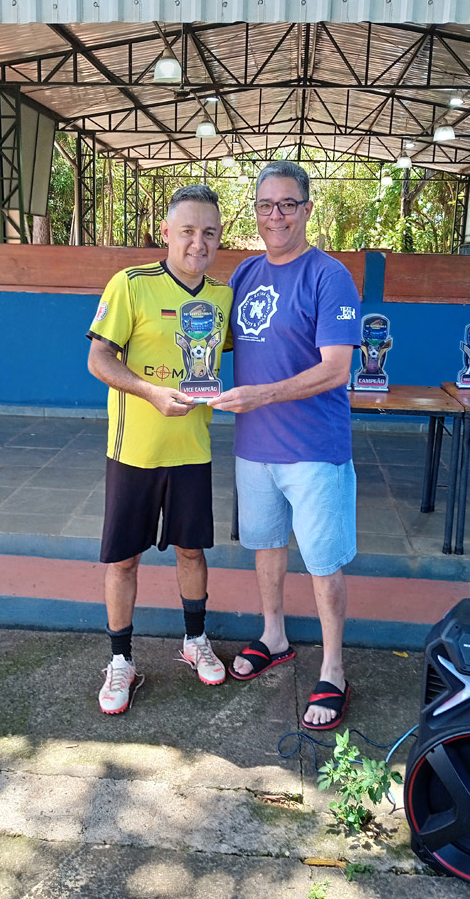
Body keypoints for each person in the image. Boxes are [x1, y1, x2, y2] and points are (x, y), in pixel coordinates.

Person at [208, 160, 361, 731]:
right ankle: (274, 636)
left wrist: (263, 394)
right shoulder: (246, 273)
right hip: (255, 446)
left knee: (322, 562)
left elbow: (337, 368)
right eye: (265, 205)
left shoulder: (329, 276)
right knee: (267, 545)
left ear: (307, 209)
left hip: (313, 449)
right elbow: (211, 338)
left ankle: (334, 668)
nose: (276, 216)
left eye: (288, 204)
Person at [87, 184, 232, 714]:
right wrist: (150, 392)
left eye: (209, 233)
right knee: (124, 558)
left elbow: (245, 351)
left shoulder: (222, 297)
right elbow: (99, 360)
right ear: (166, 232)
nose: (198, 242)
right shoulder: (131, 284)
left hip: (192, 449)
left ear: (219, 238)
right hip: (135, 452)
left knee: (192, 551)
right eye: (188, 231)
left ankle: (195, 640)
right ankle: (120, 660)